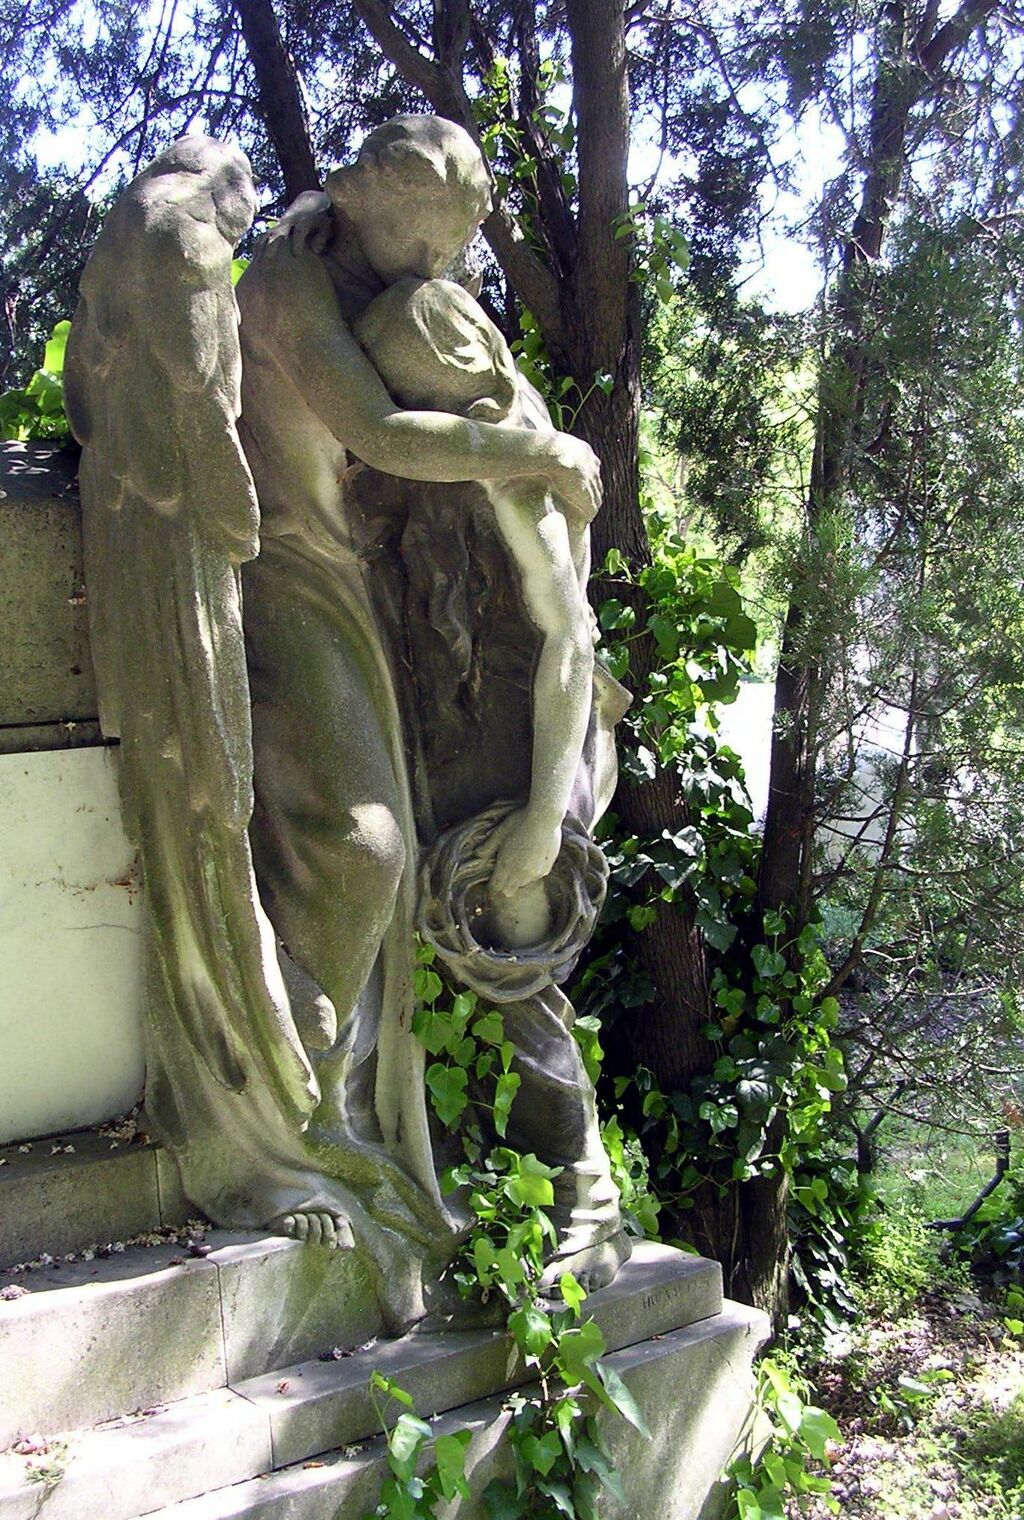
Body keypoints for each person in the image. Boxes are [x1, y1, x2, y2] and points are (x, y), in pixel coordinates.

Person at [237, 115, 627, 1296]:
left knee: (511, 945)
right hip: (446, 695)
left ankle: (586, 1192)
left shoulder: (509, 476)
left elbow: (568, 645)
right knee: (456, 928)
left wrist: (543, 820)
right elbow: (376, 436)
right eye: (422, 248)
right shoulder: (316, 298)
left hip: (545, 741)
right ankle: (351, 1130)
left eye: (443, 256)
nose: (433, 265)